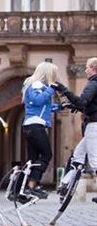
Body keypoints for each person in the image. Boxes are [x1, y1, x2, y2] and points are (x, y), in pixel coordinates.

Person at [51, 57, 97, 203]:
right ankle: (66, 182)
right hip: (93, 123)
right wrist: (74, 106)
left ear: (94, 68)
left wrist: (63, 90)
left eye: (88, 67)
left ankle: (66, 182)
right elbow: (87, 105)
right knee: (78, 154)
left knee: (95, 161)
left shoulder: (93, 83)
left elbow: (82, 101)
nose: (85, 70)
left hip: (94, 125)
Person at [21, 61, 62, 199]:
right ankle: (33, 184)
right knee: (46, 155)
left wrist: (60, 107)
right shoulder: (37, 84)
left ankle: (22, 188)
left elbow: (42, 107)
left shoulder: (36, 85)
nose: (55, 76)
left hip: (31, 125)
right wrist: (51, 89)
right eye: (54, 73)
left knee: (32, 159)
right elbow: (38, 100)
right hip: (35, 125)